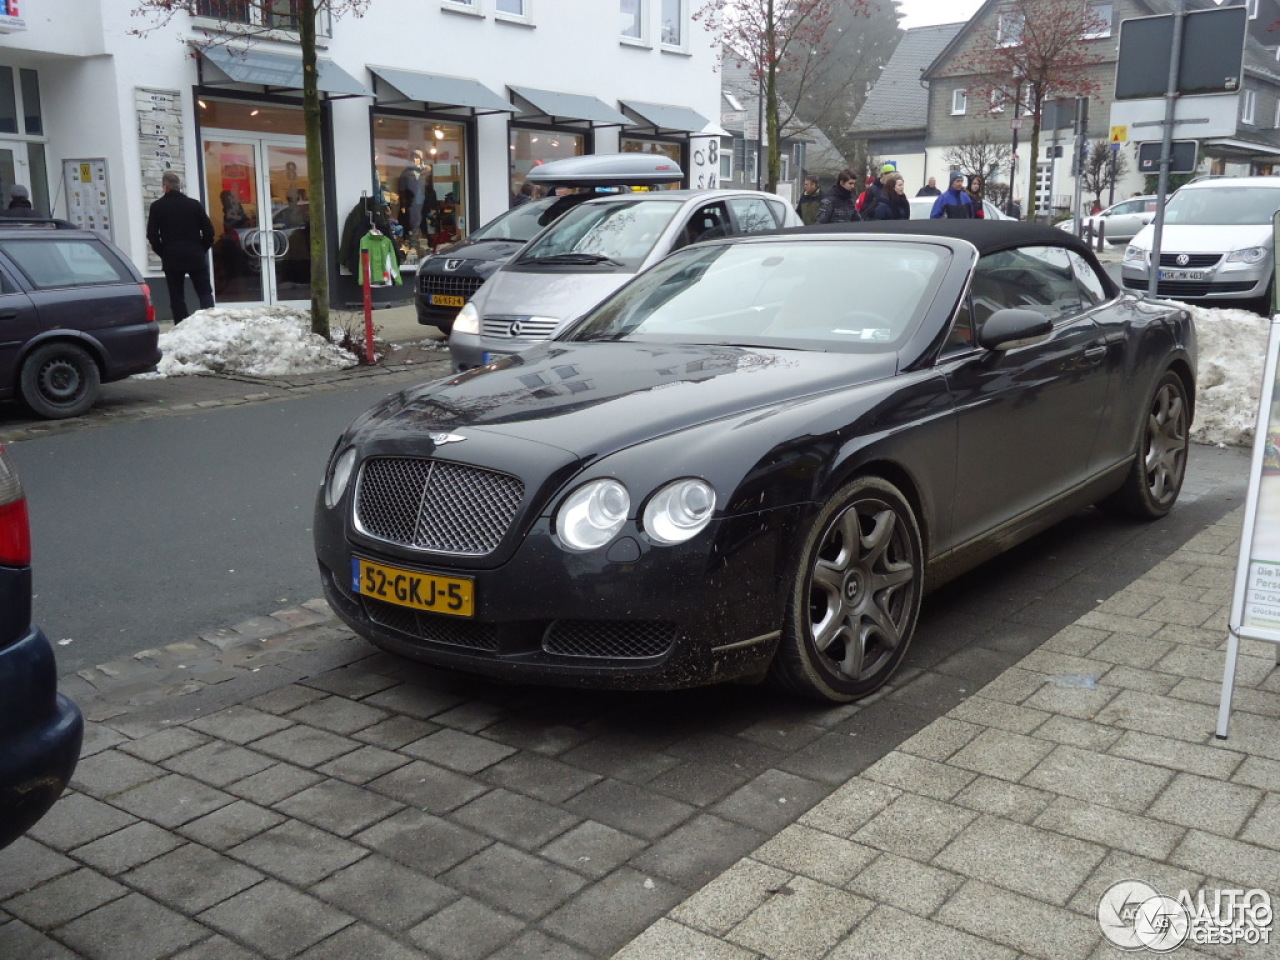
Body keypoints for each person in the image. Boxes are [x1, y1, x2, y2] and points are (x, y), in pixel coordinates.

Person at [146, 171, 215, 323]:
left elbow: (152, 235)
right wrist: (201, 248)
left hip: (172, 257)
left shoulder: (157, 207)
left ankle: (181, 325)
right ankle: (211, 322)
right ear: (179, 187)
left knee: (176, 296)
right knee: (204, 291)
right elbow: (209, 231)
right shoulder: (194, 205)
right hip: (195, 255)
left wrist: (164, 252)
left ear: (165, 187)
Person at [397, 150, 424, 237]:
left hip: (422, 204)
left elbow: (429, 189)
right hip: (411, 204)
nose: (415, 160)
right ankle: (411, 240)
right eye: (414, 157)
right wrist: (403, 206)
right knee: (411, 224)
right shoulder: (406, 174)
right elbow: (402, 191)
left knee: (421, 224)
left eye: (418, 158)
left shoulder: (424, 172)